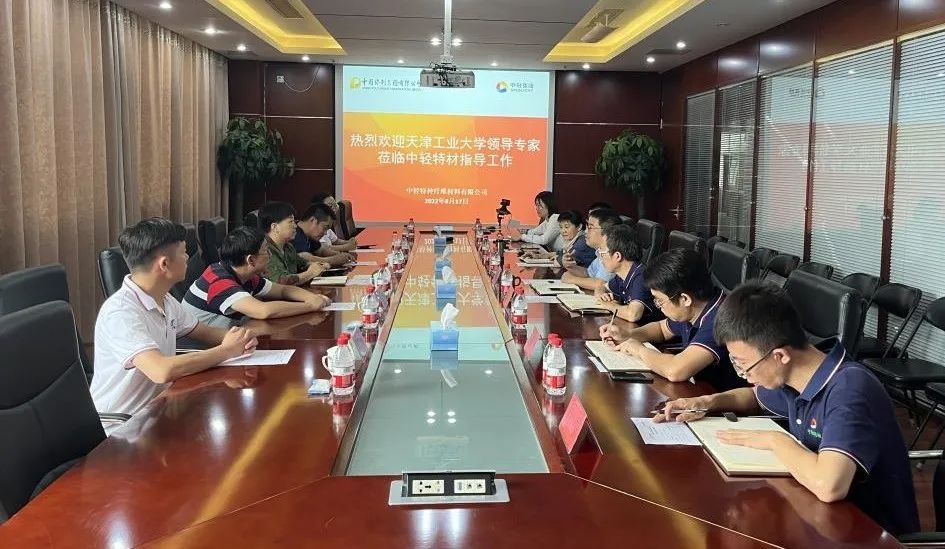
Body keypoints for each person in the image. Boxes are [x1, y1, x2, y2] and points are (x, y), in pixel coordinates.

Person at [654, 281, 919, 536]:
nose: (745, 375)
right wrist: (707, 402)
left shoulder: (849, 388)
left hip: (868, 534)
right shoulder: (795, 377)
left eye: (744, 365)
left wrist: (775, 441)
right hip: (817, 520)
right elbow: (754, 397)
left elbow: (829, 486)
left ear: (780, 355)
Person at [90, 218, 258, 427]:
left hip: (158, 411)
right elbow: (161, 370)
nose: (187, 257)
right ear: (164, 264)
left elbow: (204, 332)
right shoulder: (120, 312)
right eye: (183, 252)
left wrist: (241, 337)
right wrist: (226, 350)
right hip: (121, 426)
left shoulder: (165, 299)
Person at [600, 248, 746, 391]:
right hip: (697, 389)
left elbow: (675, 370)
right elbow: (661, 329)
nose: (658, 307)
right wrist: (627, 335)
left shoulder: (721, 318)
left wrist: (638, 350)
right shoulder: (694, 307)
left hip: (720, 399)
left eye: (660, 301)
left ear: (685, 299)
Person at [183, 226, 333, 328]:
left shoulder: (245, 274)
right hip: (202, 347)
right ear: (250, 260)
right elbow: (263, 311)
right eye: (266, 252)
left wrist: (312, 298)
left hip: (229, 334)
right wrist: (310, 306)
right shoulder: (219, 281)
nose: (270, 256)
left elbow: (283, 290)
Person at [594, 224, 656, 323]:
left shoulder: (640, 276)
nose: (600, 258)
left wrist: (608, 305)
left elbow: (633, 315)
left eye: (602, 253)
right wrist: (601, 295)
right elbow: (602, 287)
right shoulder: (622, 275)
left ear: (617, 256)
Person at [259, 201, 329, 285]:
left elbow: (303, 263)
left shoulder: (288, 247)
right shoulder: (264, 250)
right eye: (291, 222)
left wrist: (318, 265)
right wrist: (310, 273)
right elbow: (280, 282)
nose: (295, 226)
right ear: (275, 227)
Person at [561, 208, 622, 291]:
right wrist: (570, 266)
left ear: (606, 232)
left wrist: (573, 279)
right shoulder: (600, 252)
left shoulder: (613, 254)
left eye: (590, 227)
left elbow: (602, 284)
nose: (585, 232)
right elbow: (588, 273)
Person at [522, 209, 595, 268]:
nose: (563, 231)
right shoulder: (573, 240)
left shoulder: (582, 242)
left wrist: (557, 258)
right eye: (561, 227)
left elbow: (564, 260)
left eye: (567, 227)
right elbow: (562, 253)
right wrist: (539, 256)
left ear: (579, 227)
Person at [292, 203, 355, 267]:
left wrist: (340, 255)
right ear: (313, 220)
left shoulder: (308, 234)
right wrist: (332, 260)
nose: (325, 233)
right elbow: (303, 257)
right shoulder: (294, 233)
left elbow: (321, 250)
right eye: (325, 227)